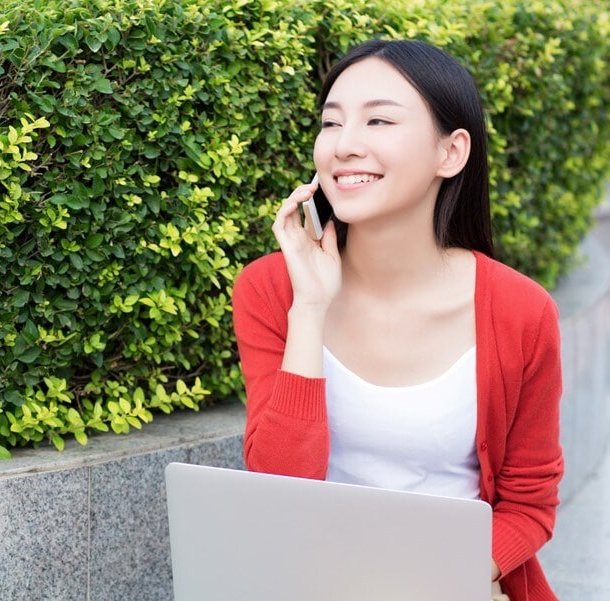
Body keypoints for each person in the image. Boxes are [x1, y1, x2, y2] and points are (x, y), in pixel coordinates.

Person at [232, 39, 563, 601]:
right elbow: (278, 491)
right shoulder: (271, 290)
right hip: (310, 583)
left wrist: (431, 583)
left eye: (379, 120)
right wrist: (310, 307)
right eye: (331, 123)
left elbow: (529, 504)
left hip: (453, 583)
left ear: (451, 153)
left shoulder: (521, 312)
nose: (345, 145)